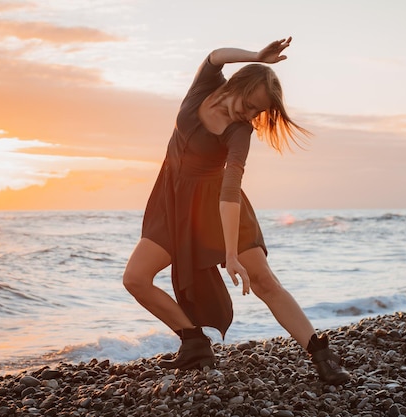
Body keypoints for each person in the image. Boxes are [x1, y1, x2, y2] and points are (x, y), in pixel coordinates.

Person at [122, 37, 350, 384]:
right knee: (136, 279)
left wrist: (231, 254)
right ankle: (194, 342)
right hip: (174, 202)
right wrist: (258, 56)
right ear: (239, 85)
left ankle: (320, 354)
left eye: (258, 112)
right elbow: (214, 57)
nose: (251, 115)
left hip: (222, 207)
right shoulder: (204, 88)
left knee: (263, 281)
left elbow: (230, 191)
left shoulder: (239, 132)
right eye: (250, 104)